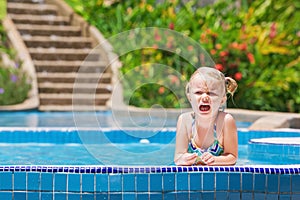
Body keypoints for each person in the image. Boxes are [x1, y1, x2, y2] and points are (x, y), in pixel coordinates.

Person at [174, 66, 238, 166]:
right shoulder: (185, 121)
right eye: (198, 92)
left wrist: (216, 160)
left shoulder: (225, 121)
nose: (204, 97)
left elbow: (232, 157)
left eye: (211, 93)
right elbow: (178, 157)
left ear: (222, 99)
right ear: (190, 97)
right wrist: (183, 159)